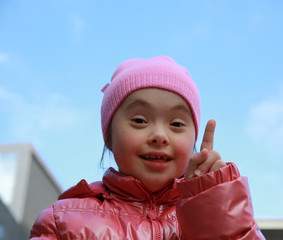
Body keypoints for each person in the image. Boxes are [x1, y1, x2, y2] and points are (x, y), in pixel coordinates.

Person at [30, 56, 265, 239]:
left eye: (176, 124)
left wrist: (217, 207)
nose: (160, 136)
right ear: (109, 138)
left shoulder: (220, 211)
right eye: (140, 120)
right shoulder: (63, 219)